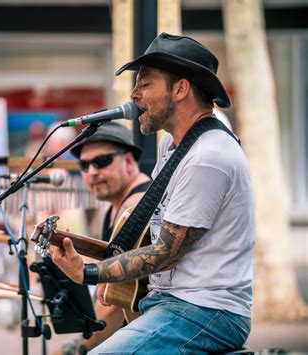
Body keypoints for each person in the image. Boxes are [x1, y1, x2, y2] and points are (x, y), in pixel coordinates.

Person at [49, 32, 255, 353]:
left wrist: (89, 272)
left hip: (207, 311)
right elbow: (154, 230)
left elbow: (166, 252)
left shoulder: (208, 156)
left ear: (180, 89)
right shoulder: (171, 145)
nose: (133, 95)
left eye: (145, 84)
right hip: (170, 304)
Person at [57, 122, 151, 355]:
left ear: (129, 162)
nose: (92, 172)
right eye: (84, 165)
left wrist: (75, 349)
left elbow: (115, 304)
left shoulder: (134, 207)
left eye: (101, 161)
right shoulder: (113, 208)